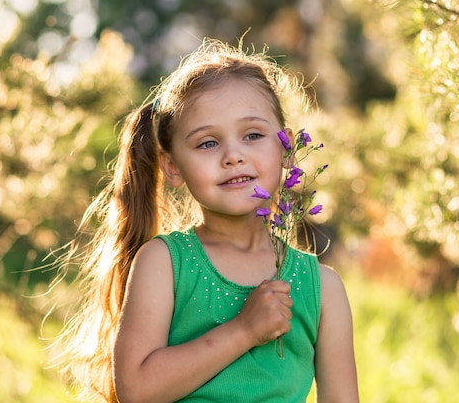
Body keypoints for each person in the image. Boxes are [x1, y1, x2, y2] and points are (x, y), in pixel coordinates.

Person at [53, 39, 358, 403]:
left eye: (253, 135)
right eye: (208, 143)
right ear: (173, 167)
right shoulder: (165, 263)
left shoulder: (322, 288)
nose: (233, 156)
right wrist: (244, 330)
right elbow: (136, 390)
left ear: (285, 146)